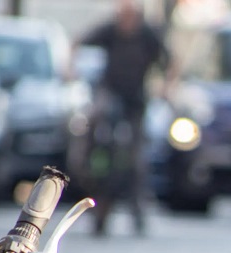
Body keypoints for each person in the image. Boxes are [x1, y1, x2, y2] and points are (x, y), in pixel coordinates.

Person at [73, 0, 176, 237]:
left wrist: (167, 87)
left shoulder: (148, 34)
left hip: (135, 99)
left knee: (136, 158)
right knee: (96, 124)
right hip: (111, 93)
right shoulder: (108, 30)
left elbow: (171, 62)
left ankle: (138, 213)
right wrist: (71, 69)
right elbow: (78, 42)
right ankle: (86, 164)